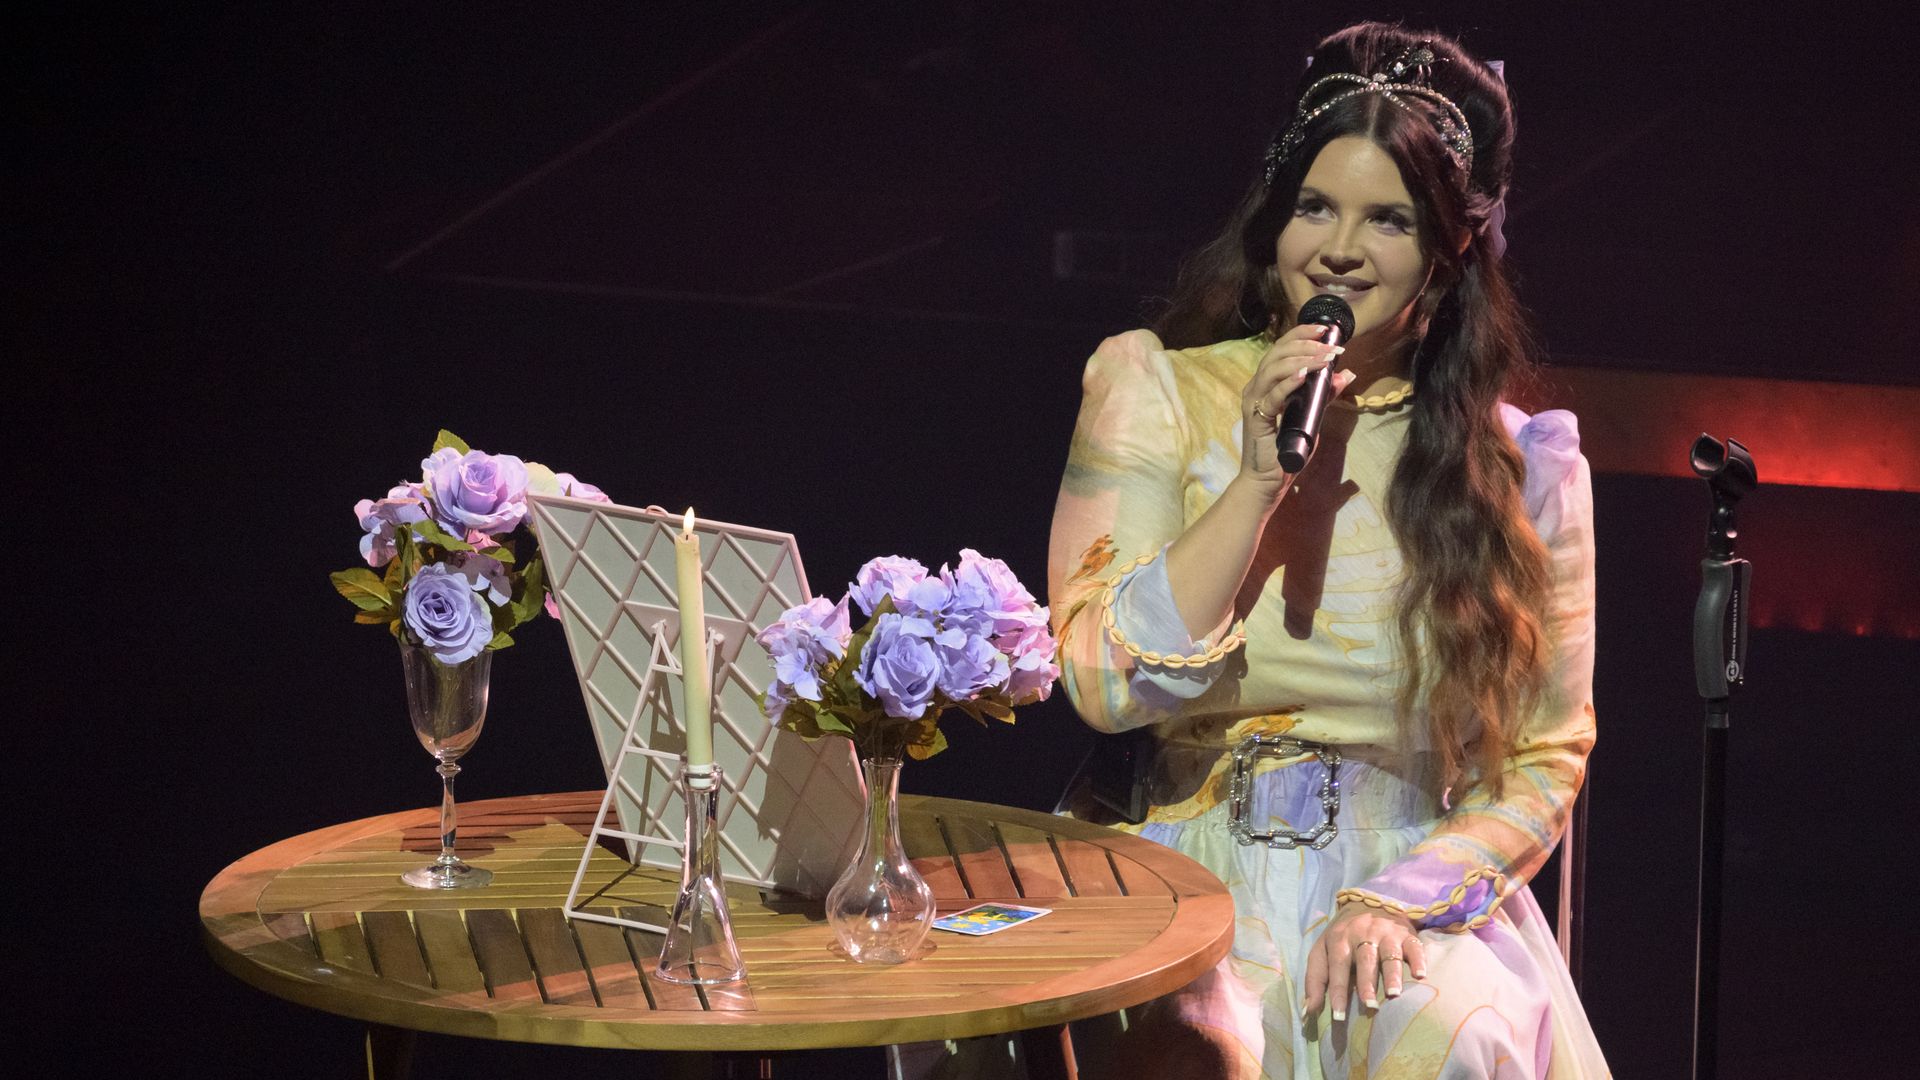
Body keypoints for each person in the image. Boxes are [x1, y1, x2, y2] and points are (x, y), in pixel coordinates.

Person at [1046, 22, 1610, 1078]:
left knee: (1451, 1036)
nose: (1339, 248)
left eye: (1386, 219)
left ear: (1445, 262)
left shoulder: (1522, 470)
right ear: (1274, 226)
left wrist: (1401, 902)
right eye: (1316, 207)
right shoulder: (1159, 392)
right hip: (1182, 864)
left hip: (1401, 886)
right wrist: (1259, 481)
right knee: (1195, 1043)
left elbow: (1543, 757)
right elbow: (1102, 679)